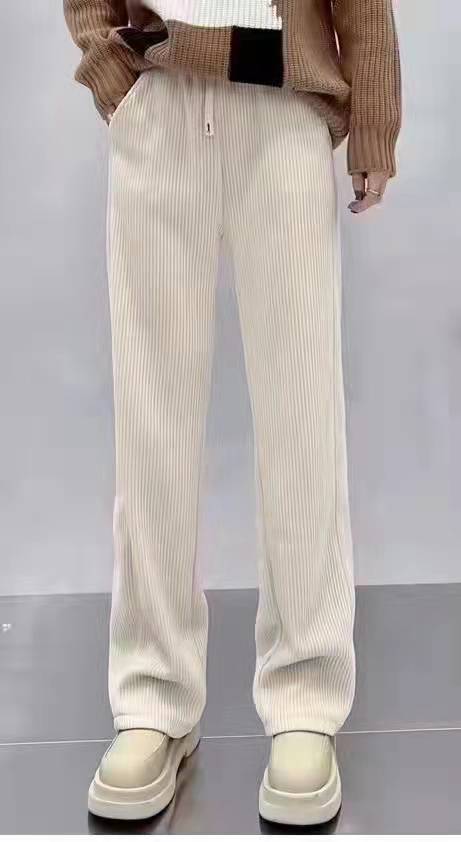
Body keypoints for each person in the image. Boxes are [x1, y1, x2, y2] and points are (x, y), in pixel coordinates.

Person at [64, 0, 401, 826]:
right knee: (151, 421)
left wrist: (373, 121)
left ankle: (305, 698)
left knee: (302, 421)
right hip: (159, 98)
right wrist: (110, 70)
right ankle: (152, 697)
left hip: (283, 107)